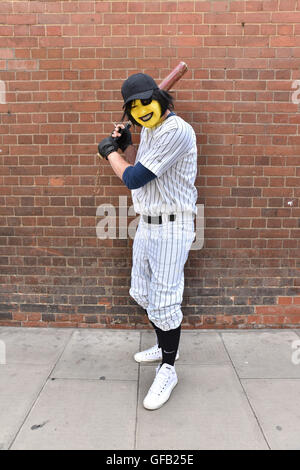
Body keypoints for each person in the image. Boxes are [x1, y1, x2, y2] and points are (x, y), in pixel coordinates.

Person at [97, 73, 198, 410]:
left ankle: (168, 367)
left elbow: (135, 176)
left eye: (146, 102)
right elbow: (141, 164)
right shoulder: (152, 128)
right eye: (134, 107)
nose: (141, 111)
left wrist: (111, 152)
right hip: (148, 225)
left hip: (172, 228)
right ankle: (164, 343)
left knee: (166, 301)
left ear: (160, 98)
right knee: (142, 290)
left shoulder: (176, 130)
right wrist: (127, 143)